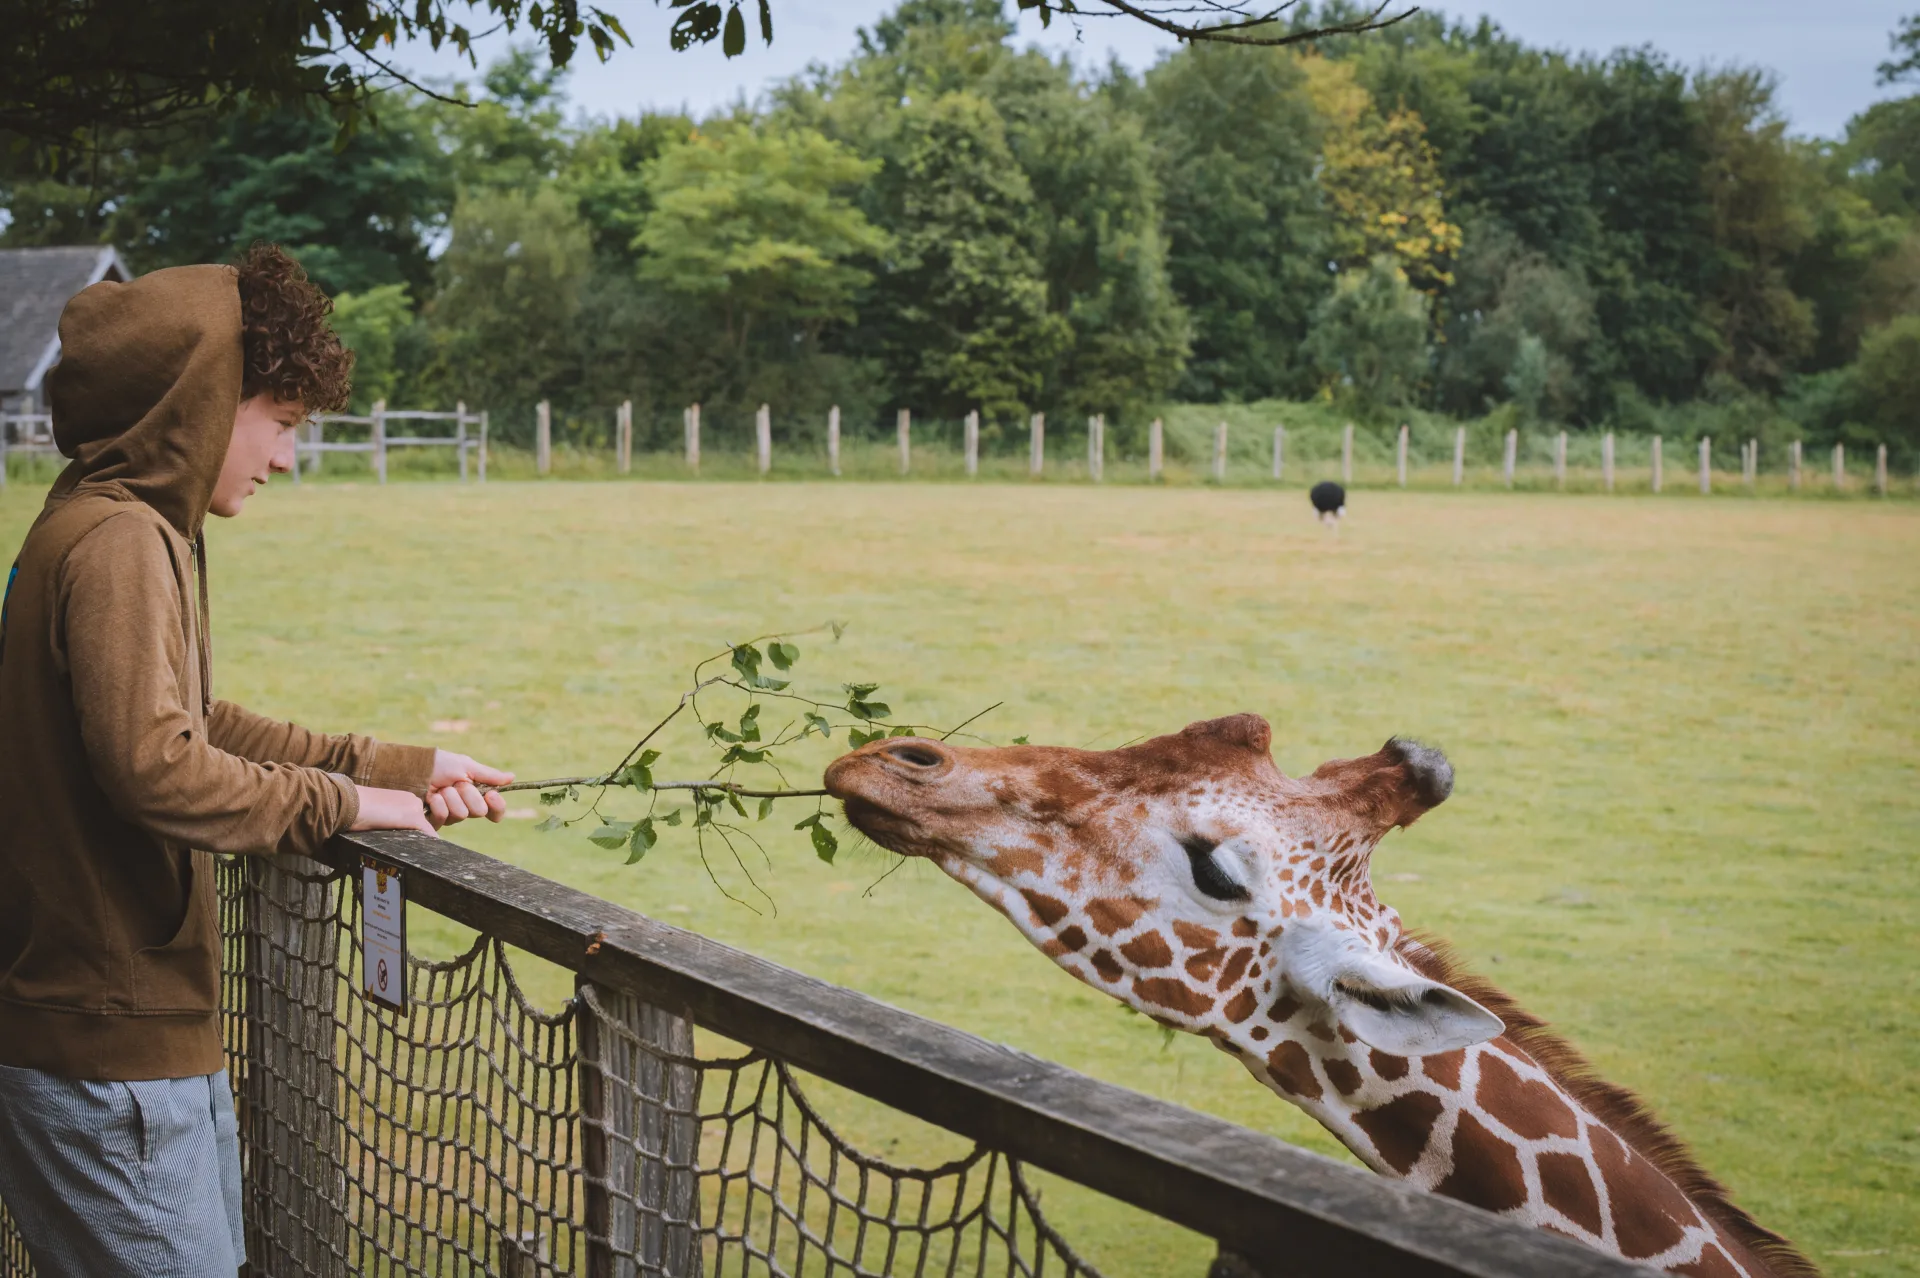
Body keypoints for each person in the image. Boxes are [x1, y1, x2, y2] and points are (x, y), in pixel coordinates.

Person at [0, 244, 512, 1277]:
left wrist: (393, 767)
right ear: (203, 402)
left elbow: (194, 722)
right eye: (279, 421)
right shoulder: (120, 542)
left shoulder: (109, 525)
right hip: (105, 1045)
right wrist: (339, 803)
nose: (284, 458)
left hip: (125, 1034)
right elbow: (156, 765)